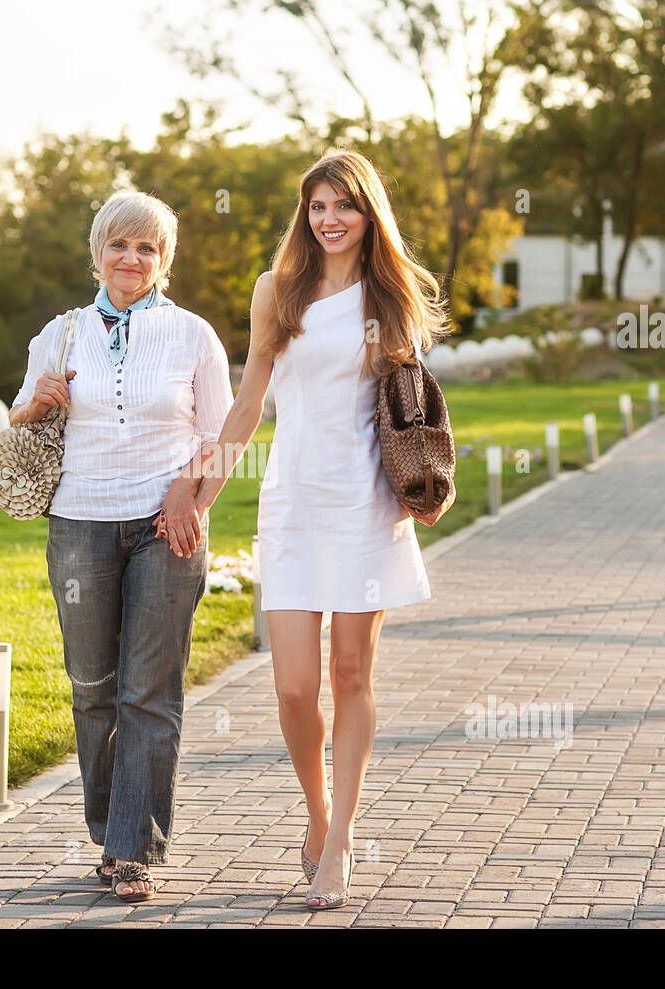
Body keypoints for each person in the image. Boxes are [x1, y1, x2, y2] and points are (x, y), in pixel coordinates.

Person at [158, 150, 447, 909]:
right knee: (291, 687)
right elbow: (250, 402)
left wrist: (423, 480)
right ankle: (318, 815)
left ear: (366, 213)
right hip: (292, 500)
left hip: (364, 503)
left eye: (343, 206)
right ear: (304, 213)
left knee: (352, 674)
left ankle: (340, 841)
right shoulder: (276, 290)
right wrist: (201, 488)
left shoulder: (390, 295)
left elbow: (409, 404)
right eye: (317, 206)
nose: (329, 219)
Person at [9, 191, 233, 903]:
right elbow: (19, 416)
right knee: (93, 685)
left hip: (164, 528)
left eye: (148, 248)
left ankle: (130, 846)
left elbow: (223, 437)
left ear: (163, 260)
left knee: (150, 688)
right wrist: (39, 399)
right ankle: (110, 825)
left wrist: (190, 497)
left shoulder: (193, 334)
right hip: (79, 522)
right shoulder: (62, 331)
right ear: (98, 252)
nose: (132, 259)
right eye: (120, 246)